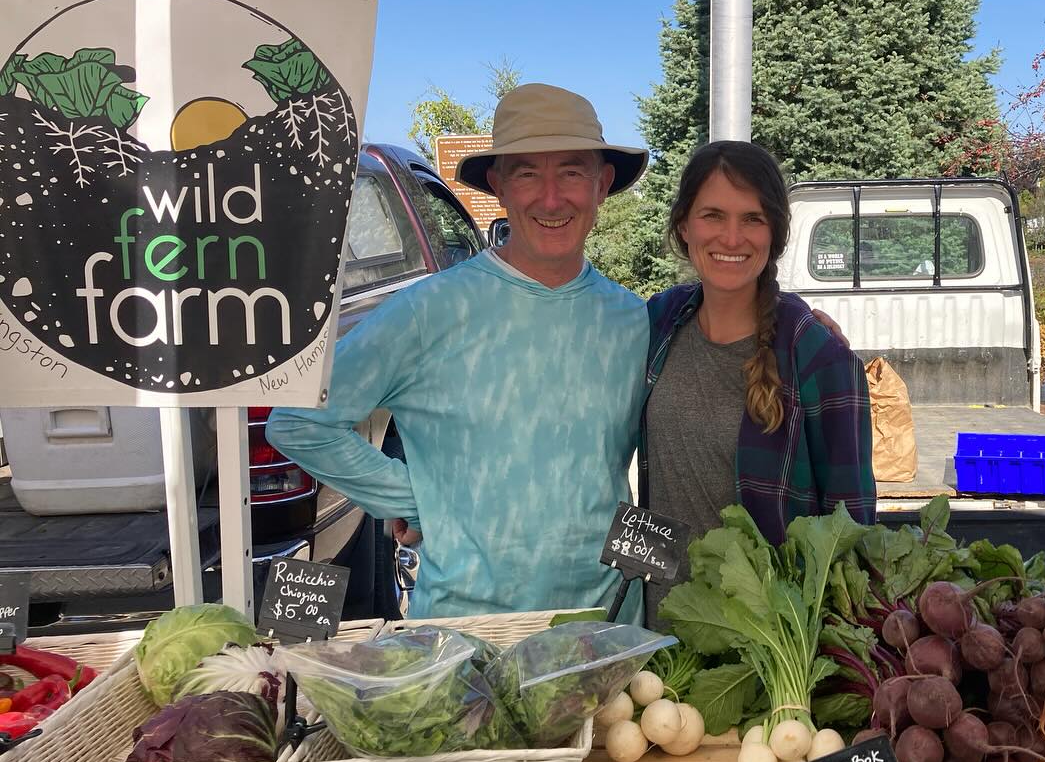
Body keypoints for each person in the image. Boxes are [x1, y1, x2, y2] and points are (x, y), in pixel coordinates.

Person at [266, 84, 651, 618]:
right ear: (498, 185)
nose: (551, 197)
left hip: (604, 631)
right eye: (526, 173)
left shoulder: (632, 319)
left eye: (571, 170)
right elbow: (299, 421)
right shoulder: (431, 311)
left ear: (602, 183)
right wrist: (415, 498)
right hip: (468, 638)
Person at [639, 141, 876, 624]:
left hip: (765, 644)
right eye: (712, 215)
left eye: (752, 218)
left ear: (775, 234)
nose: (731, 237)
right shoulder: (657, 321)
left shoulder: (815, 355)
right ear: (684, 226)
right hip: (661, 630)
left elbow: (852, 531)